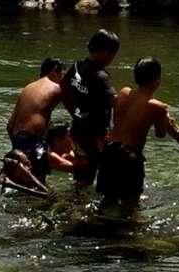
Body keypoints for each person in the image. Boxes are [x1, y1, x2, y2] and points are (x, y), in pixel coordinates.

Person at [95, 56, 169, 218]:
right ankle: (126, 234)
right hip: (128, 155)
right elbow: (160, 134)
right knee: (130, 203)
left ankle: (96, 223)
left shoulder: (123, 92)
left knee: (108, 198)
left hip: (109, 150)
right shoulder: (157, 106)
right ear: (157, 80)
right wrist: (165, 117)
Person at [60, 29, 120, 188]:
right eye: (113, 54)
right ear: (106, 53)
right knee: (109, 173)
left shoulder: (76, 67)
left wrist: (75, 112)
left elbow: (63, 88)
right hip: (96, 134)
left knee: (82, 175)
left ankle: (71, 203)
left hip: (79, 130)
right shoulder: (101, 76)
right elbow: (116, 102)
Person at [5, 57, 65, 183]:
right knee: (38, 183)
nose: (62, 80)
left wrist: (17, 148)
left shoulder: (27, 88)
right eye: (62, 75)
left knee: (19, 181)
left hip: (18, 138)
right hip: (34, 138)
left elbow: (10, 125)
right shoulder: (56, 87)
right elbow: (76, 109)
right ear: (55, 72)